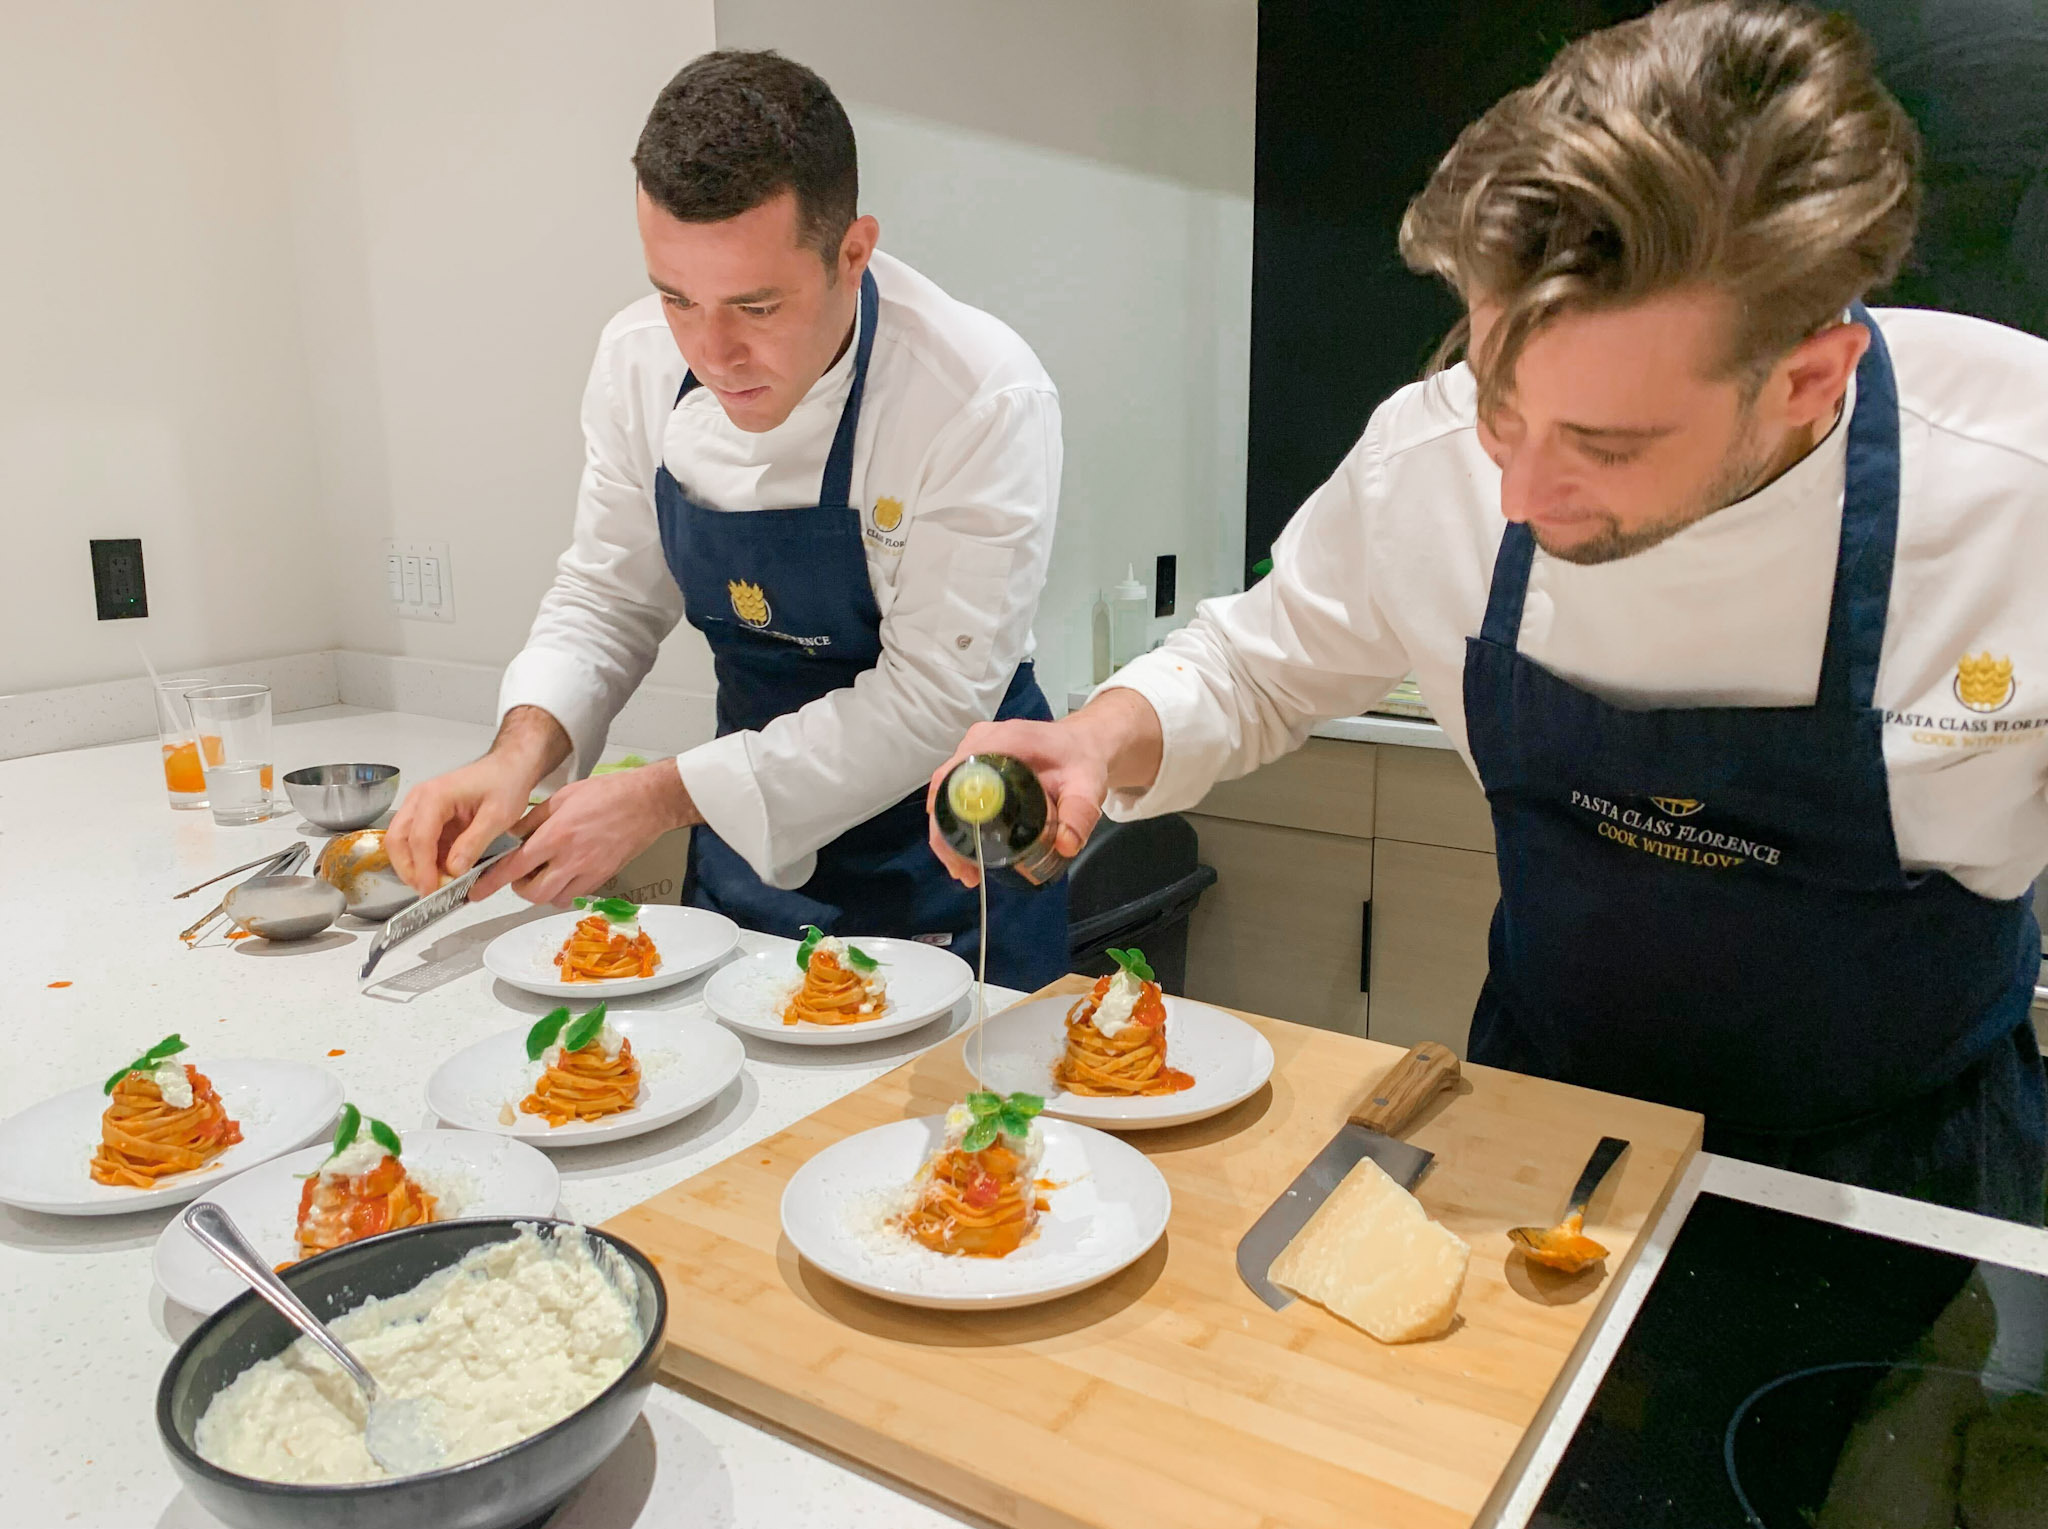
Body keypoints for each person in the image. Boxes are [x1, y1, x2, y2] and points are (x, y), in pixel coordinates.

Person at [930, 0, 2048, 1221]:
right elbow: (1259, 667)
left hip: (1898, 1177)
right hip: (1537, 1128)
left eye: (1603, 446)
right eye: (1497, 406)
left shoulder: (2013, 491)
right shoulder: (1427, 458)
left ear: (1803, 379)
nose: (1515, 492)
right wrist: (1098, 735)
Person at [388, 50, 1070, 988]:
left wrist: (663, 797)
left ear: (853, 250)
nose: (714, 350)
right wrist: (518, 753)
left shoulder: (974, 394)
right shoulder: (635, 362)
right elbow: (607, 596)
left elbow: (931, 705)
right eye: (676, 297)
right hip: (743, 850)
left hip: (949, 853)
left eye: (756, 305)